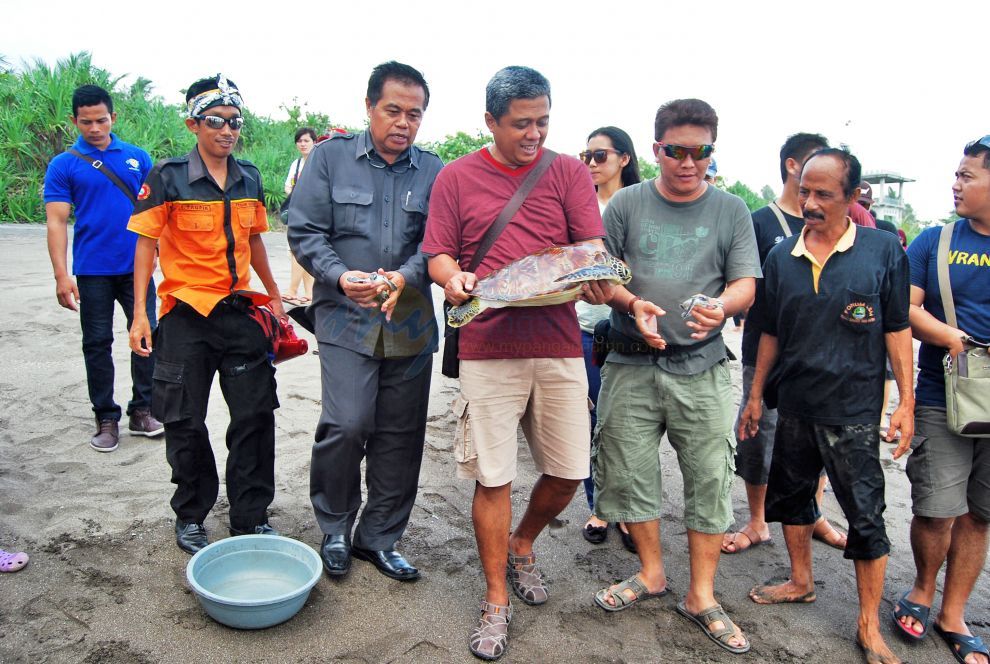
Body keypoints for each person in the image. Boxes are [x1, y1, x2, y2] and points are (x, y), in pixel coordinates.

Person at [423, 66, 613, 661]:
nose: (535, 134)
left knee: (568, 470)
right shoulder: (457, 177)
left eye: (544, 121)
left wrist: (600, 281)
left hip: (557, 344)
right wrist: (453, 278)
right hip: (486, 347)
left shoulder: (567, 173)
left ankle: (523, 542)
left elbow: (590, 251)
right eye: (521, 124)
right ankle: (496, 598)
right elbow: (438, 252)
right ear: (490, 122)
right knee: (493, 476)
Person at [591, 98, 758, 656]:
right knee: (630, 471)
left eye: (700, 151)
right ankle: (652, 573)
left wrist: (723, 305)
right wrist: (632, 300)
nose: (688, 163)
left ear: (712, 151)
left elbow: (745, 283)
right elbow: (602, 276)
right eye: (675, 151)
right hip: (630, 362)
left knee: (710, 477)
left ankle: (703, 595)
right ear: (656, 148)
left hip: (702, 366)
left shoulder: (731, 209)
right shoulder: (626, 205)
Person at [739, 148, 914, 664]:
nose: (809, 202)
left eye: (823, 194)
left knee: (866, 516)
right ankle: (800, 579)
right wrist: (754, 397)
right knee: (791, 500)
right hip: (793, 404)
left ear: (852, 196)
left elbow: (898, 329)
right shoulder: (781, 257)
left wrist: (903, 402)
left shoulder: (883, 250)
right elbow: (768, 330)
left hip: (854, 413)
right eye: (805, 192)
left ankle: (867, 624)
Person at [288, 62, 442, 584]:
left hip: (411, 322)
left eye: (414, 114)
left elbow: (440, 244)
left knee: (401, 435)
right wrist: (338, 274)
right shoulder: (329, 158)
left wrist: (404, 276)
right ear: (370, 107)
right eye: (393, 110)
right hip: (345, 316)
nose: (403, 122)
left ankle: (379, 539)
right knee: (347, 422)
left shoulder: (434, 170)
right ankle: (334, 527)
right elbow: (305, 232)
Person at [127, 74, 286, 554]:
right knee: (184, 420)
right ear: (193, 123)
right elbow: (146, 244)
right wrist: (139, 313)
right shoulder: (167, 176)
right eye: (216, 121)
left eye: (235, 122)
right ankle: (192, 514)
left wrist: (274, 293)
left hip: (239, 314)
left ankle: (250, 515)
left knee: (255, 416)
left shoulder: (250, 177)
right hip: (184, 317)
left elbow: (255, 239)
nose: (227, 130)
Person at [721, 133, 848, 555]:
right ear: (794, 166)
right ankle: (758, 520)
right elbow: (740, 284)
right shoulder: (758, 223)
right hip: (767, 354)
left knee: (818, 440)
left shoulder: (844, 220)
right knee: (758, 438)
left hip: (827, 358)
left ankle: (812, 514)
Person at [895, 137, 990, 664]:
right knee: (936, 508)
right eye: (957, 174)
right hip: (942, 394)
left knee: (980, 514)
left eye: (968, 176)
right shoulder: (935, 241)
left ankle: (954, 613)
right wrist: (952, 339)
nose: (956, 184)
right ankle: (922, 591)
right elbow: (906, 309)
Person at [44, 84, 162, 453]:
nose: (94, 128)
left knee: (146, 337)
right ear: (74, 121)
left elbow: (157, 216)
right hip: (92, 269)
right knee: (97, 343)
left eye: (101, 120)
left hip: (137, 268)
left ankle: (143, 410)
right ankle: (106, 418)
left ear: (114, 117)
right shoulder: (64, 164)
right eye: (85, 122)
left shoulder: (137, 157)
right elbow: (57, 222)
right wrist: (62, 275)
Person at [576, 126, 641, 550]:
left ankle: (630, 512)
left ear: (624, 159)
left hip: (629, 328)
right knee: (590, 420)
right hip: (582, 328)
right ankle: (599, 505)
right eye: (587, 156)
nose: (592, 164)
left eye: (600, 155)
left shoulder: (642, 206)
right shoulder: (577, 206)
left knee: (629, 425)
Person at [282, 127, 317, 305]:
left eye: (306, 141)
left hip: (313, 214)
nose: (303, 144)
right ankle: (309, 293)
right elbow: (288, 186)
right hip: (296, 212)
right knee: (299, 251)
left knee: (300, 251)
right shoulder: (296, 164)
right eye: (300, 141)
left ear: (314, 142)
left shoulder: (318, 162)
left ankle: (292, 290)